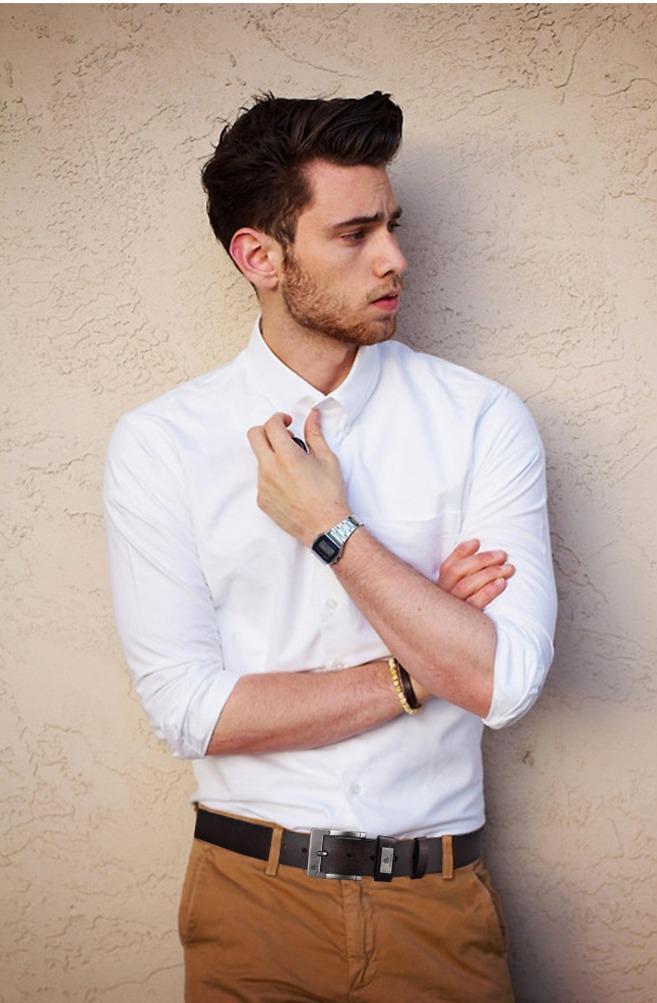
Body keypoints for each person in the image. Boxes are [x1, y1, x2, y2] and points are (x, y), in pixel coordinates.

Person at [102, 91, 557, 1002]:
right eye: (354, 235)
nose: (394, 258)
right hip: (249, 901)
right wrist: (419, 664)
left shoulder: (479, 419)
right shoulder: (162, 443)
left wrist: (332, 532)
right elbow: (190, 712)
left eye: (392, 225)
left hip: (437, 904)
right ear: (259, 257)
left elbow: (504, 682)